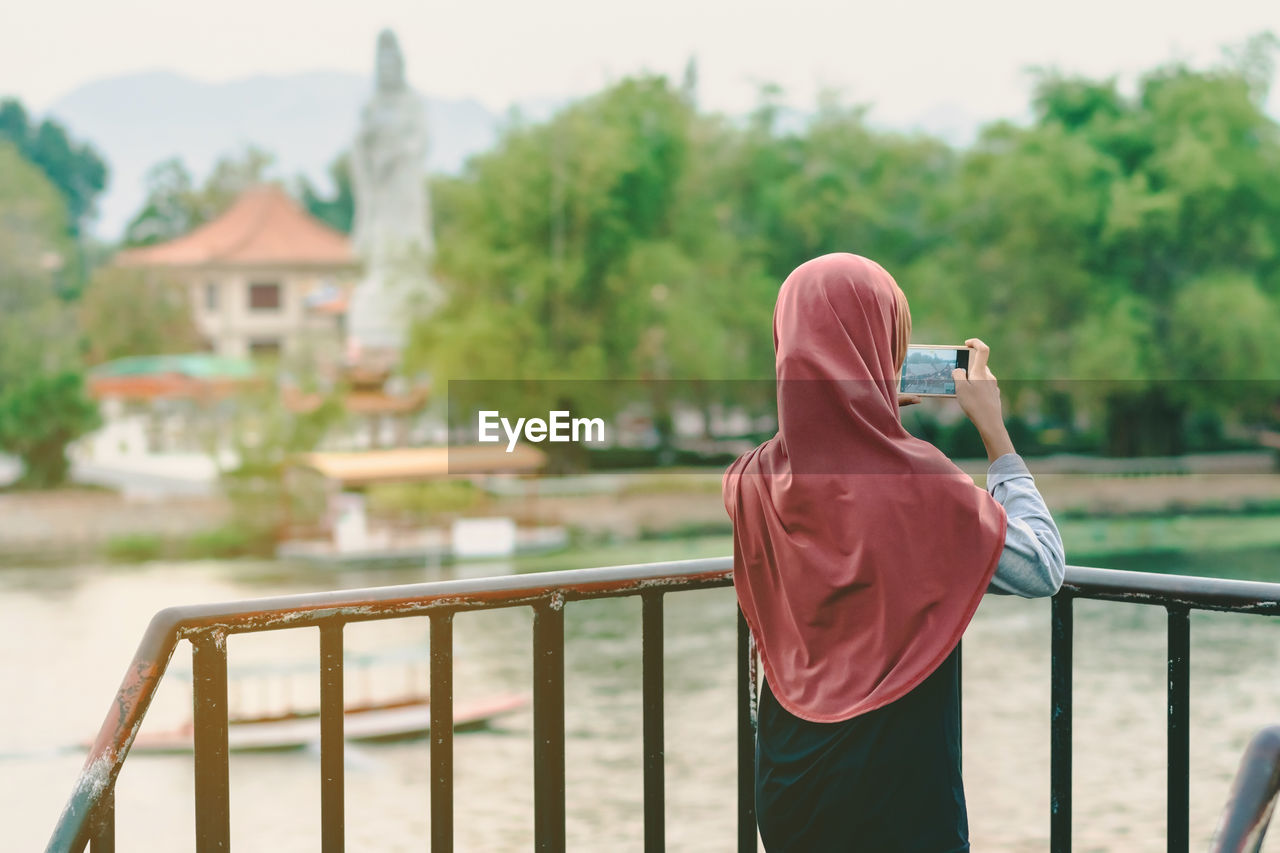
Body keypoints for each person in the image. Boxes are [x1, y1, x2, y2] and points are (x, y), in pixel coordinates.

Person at [722, 253, 1065, 852]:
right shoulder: (925, 486)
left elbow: (819, 469)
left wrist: (850, 409)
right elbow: (1042, 568)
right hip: (897, 791)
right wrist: (995, 434)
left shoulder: (750, 480)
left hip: (786, 781)